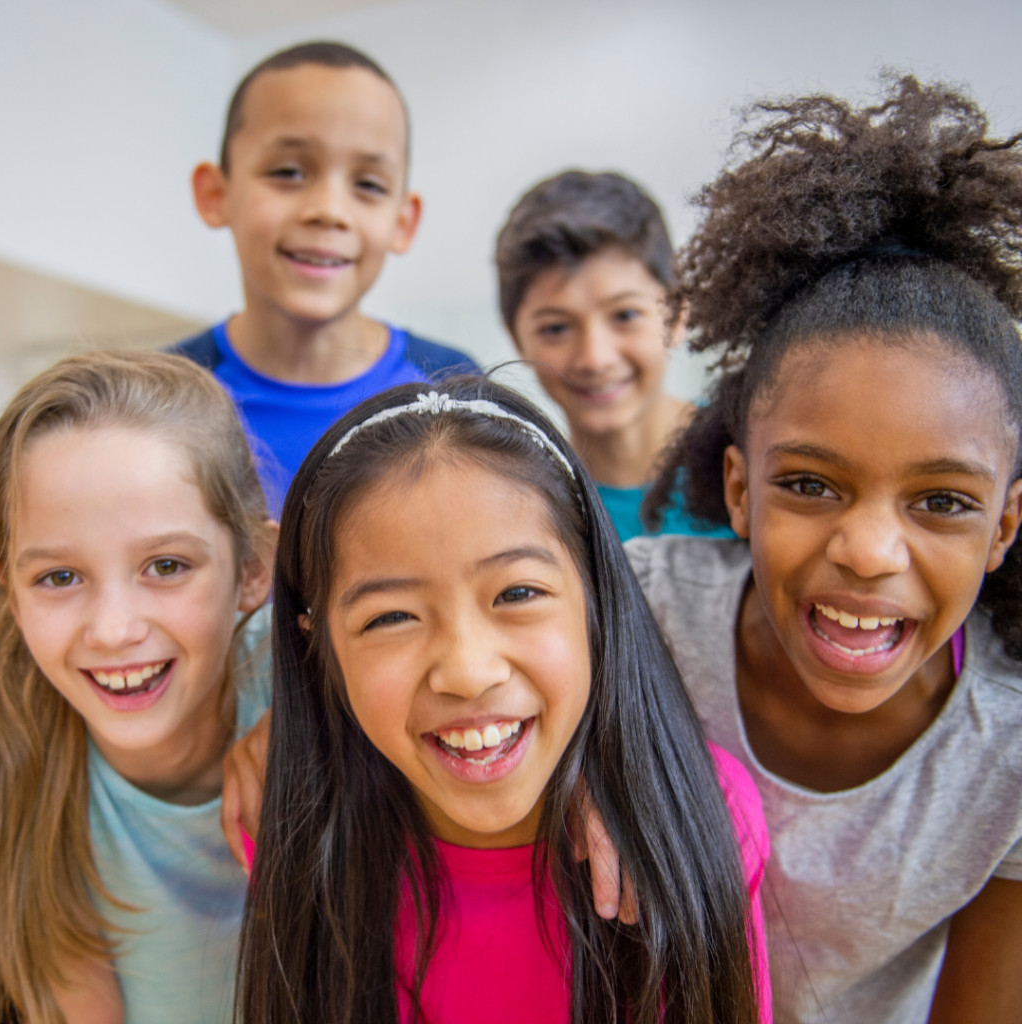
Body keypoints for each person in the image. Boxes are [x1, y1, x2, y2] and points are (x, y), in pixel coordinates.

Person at [626, 75, 1022, 1022]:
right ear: (738, 491)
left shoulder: (1006, 753)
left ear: (1004, 527)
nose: (871, 550)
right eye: (809, 484)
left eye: (941, 500)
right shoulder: (641, 614)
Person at [236, 378, 771, 1023]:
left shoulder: (698, 812)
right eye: (391, 617)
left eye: (516, 594)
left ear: (596, 598)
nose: (467, 672)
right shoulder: (290, 824)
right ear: (317, 645)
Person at [0, 352, 276, 1024]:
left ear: (252, 569)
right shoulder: (18, 776)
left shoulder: (330, 697)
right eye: (59, 577)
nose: (114, 629)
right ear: (8, 587)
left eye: (165, 565)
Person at [172, 41, 477, 510]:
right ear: (216, 194)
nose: (330, 212)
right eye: (289, 172)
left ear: (403, 221)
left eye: (369, 185)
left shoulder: (454, 390)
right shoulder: (154, 402)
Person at [496, 170, 732, 542]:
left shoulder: (746, 458)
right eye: (556, 328)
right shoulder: (520, 507)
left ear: (677, 314)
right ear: (516, 337)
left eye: (625, 316)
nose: (595, 358)